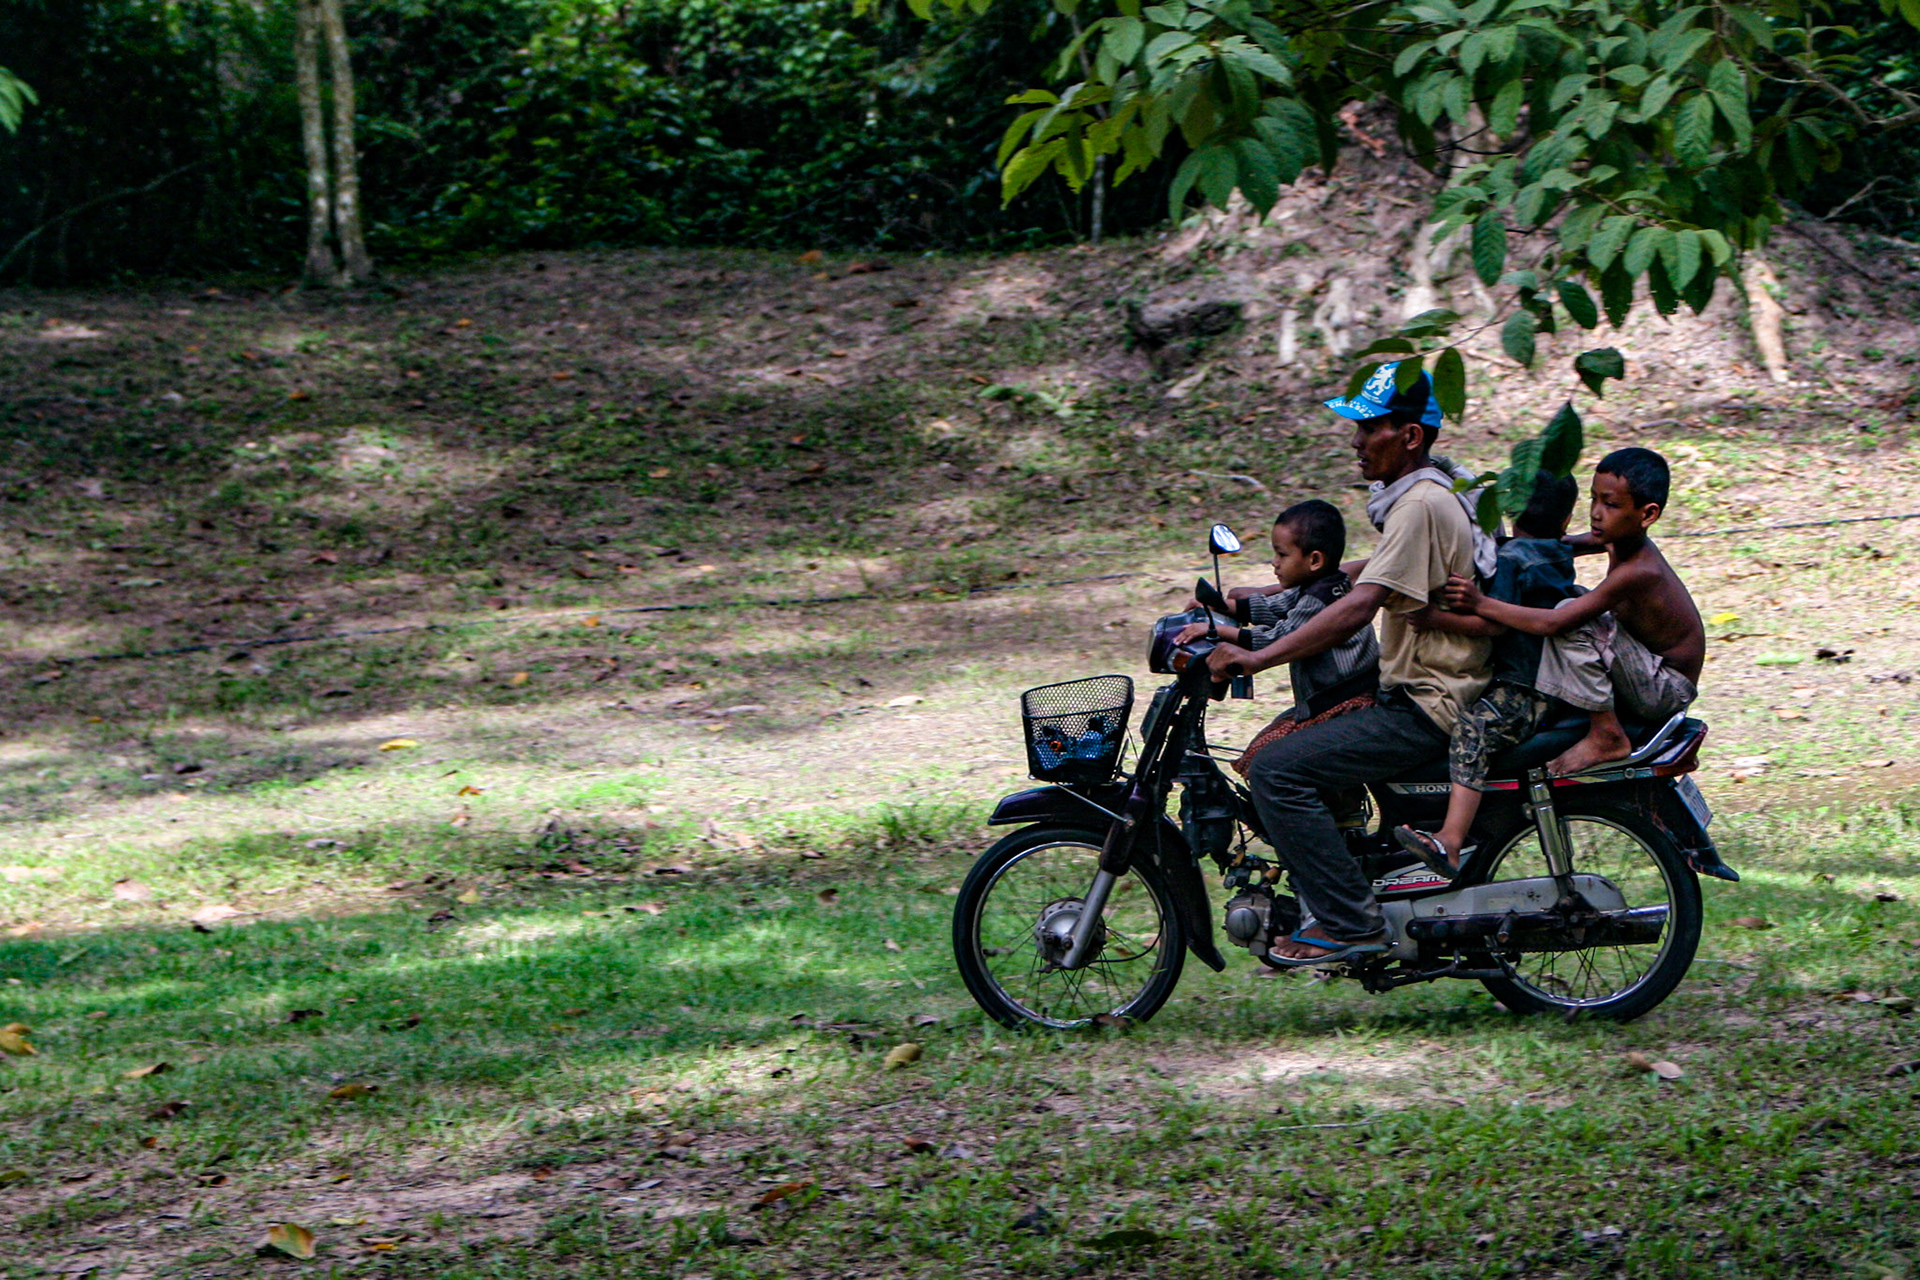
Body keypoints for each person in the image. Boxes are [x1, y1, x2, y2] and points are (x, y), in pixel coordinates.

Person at [1202, 362, 1494, 966]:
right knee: (1295, 734)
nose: (1356, 441)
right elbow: (1360, 574)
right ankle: (1342, 883)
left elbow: (1358, 606)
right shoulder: (1420, 498)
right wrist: (1252, 598)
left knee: (1279, 771)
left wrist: (1256, 657)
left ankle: (1347, 923)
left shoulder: (1419, 505)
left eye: (1369, 428)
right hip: (1411, 687)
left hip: (1425, 702)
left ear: (1410, 436)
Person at [1441, 446, 1704, 777]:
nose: (1595, 513)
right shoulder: (1619, 538)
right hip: (1645, 668)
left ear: (1648, 514)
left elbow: (1556, 623)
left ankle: (1606, 733)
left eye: (1610, 504)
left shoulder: (1639, 570)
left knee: (1571, 610)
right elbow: (1558, 545)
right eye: (1593, 499)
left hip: (1665, 689)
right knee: (1576, 598)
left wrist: (1481, 603)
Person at [1389, 470, 1581, 878]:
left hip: (1525, 686)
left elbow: (1493, 626)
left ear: (1509, 509)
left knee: (1472, 732)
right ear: (1567, 521)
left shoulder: (1511, 561)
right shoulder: (1555, 551)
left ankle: (1451, 841)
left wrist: (1432, 617)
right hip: (1553, 680)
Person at [1174, 500, 1379, 776]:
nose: (1274, 562)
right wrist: (1221, 607)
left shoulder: (1320, 599)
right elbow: (1275, 606)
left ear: (1314, 560)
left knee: (1262, 759)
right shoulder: (1320, 585)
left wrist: (1219, 631)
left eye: (1282, 554)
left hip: (1344, 705)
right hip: (1328, 700)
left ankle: (1338, 811)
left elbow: (1279, 637)